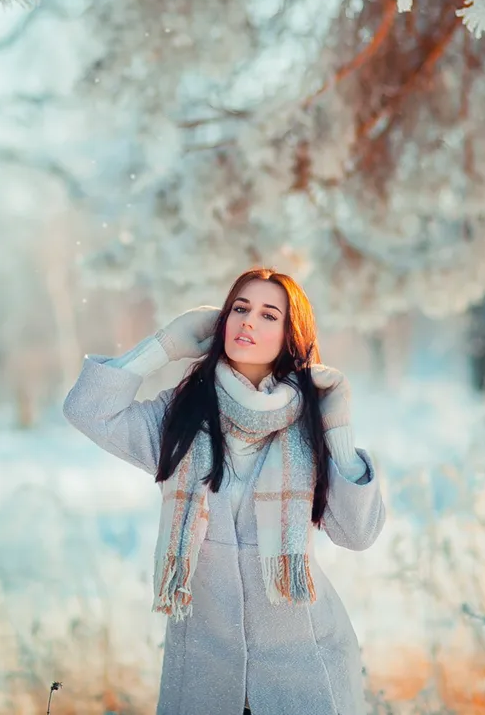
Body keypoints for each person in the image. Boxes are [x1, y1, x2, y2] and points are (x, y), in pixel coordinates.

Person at [62, 267, 387, 714]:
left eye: (269, 315)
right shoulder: (179, 418)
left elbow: (358, 533)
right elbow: (88, 410)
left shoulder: (309, 427)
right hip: (204, 671)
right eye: (240, 308)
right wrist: (161, 347)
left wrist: (339, 434)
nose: (249, 321)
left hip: (304, 670)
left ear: (291, 336)